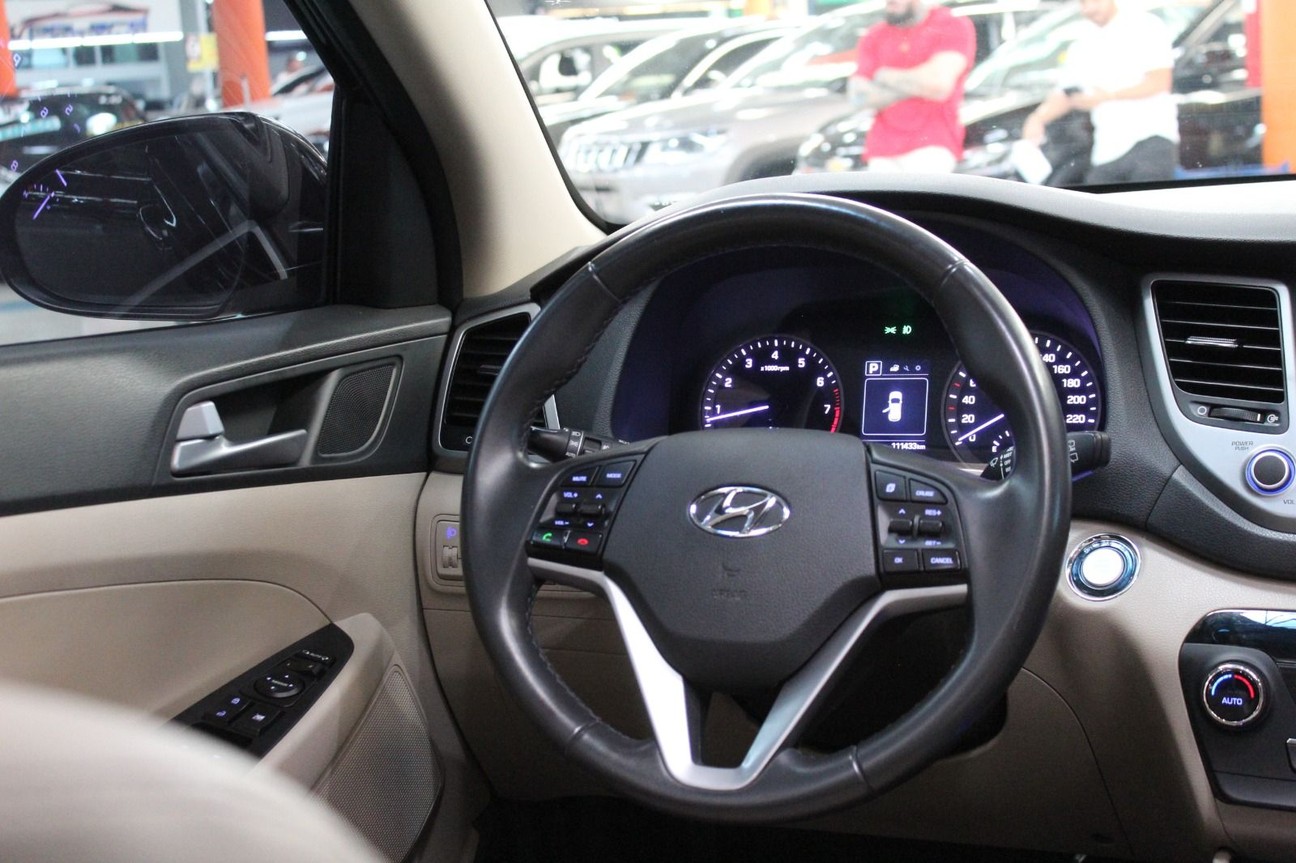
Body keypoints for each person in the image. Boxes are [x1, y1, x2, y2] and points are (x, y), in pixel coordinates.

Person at [1021, 0, 1178, 184]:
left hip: (1150, 140)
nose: (1089, 8)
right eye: (1083, 3)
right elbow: (1065, 94)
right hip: (1106, 149)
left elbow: (1159, 81)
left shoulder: (1146, 26)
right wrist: (1038, 118)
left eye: (1094, 1)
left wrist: (1108, 96)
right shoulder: (1083, 42)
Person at [850, 0, 976, 173]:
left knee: (922, 191)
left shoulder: (950, 24)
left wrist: (884, 76)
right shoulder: (875, 34)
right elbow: (858, 96)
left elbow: (938, 85)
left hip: (933, 143)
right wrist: (916, 85)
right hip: (882, 147)